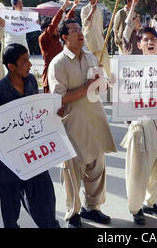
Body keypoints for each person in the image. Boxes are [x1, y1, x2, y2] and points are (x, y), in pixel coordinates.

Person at [0, 43, 61, 228]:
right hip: (8, 161)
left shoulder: (31, 81)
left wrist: (53, 113)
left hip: (34, 155)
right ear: (11, 67)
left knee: (45, 200)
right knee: (11, 210)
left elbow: (37, 112)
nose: (30, 65)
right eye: (25, 61)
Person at [48, 18, 117, 228]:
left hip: (95, 120)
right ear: (64, 37)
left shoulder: (90, 57)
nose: (80, 33)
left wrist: (104, 83)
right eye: (74, 30)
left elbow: (98, 88)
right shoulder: (58, 63)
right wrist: (87, 87)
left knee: (96, 168)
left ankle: (92, 208)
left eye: (80, 29)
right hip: (73, 124)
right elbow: (58, 98)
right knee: (72, 172)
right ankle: (73, 213)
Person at [120, 27, 157, 225]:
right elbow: (121, 95)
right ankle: (136, 209)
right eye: (146, 39)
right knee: (138, 174)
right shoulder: (130, 68)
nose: (150, 42)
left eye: (153, 39)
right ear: (139, 44)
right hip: (141, 128)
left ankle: (150, 203)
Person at [40, 0, 79, 93]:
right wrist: (63, 7)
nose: (57, 28)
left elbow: (65, 22)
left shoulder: (56, 37)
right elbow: (54, 24)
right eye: (54, 27)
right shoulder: (44, 38)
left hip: (61, 71)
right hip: (50, 74)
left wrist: (73, 7)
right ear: (46, 28)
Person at [81, 0, 110, 77]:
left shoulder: (99, 10)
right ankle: (92, 81)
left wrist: (103, 35)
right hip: (90, 40)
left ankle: (108, 79)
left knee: (105, 61)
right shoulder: (84, 9)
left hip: (99, 39)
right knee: (92, 62)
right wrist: (91, 11)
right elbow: (85, 24)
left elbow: (100, 25)